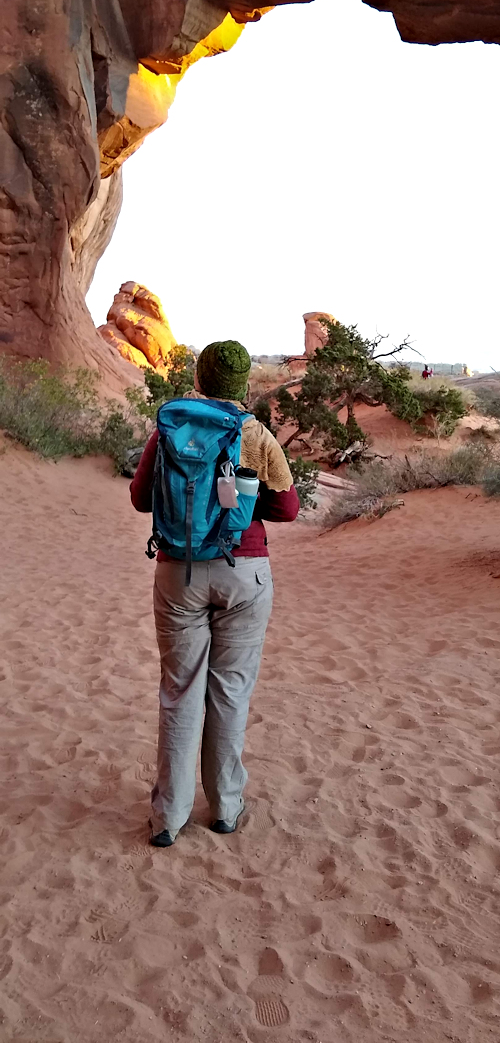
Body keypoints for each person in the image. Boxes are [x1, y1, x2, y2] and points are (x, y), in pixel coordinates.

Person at [130, 340, 299, 847]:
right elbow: (288, 510)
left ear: (199, 378)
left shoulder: (171, 427)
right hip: (244, 572)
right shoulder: (255, 433)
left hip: (178, 571)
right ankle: (225, 807)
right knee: (230, 692)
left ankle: (169, 817)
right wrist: (242, 504)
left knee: (180, 692)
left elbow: (141, 499)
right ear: (243, 384)